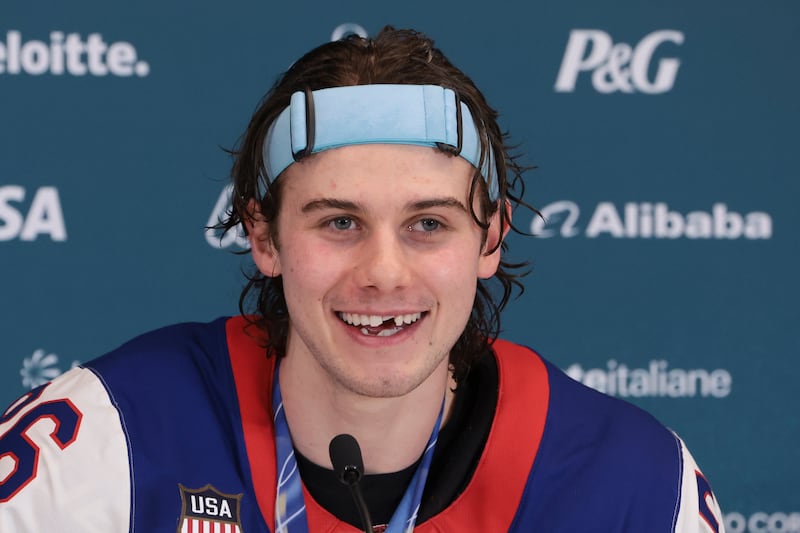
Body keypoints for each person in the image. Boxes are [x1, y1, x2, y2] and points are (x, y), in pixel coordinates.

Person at [0, 27, 724, 533]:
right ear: (263, 237)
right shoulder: (108, 438)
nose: (383, 271)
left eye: (429, 224)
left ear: (492, 237)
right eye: (339, 222)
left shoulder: (635, 484)